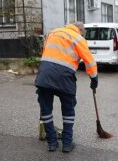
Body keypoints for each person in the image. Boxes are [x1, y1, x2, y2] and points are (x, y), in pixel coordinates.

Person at [35, 22, 98, 153]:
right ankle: (67, 144)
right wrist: (94, 78)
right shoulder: (78, 38)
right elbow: (89, 60)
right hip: (65, 78)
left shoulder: (53, 32)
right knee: (68, 110)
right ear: (80, 30)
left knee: (46, 109)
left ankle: (52, 143)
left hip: (44, 75)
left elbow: (45, 52)